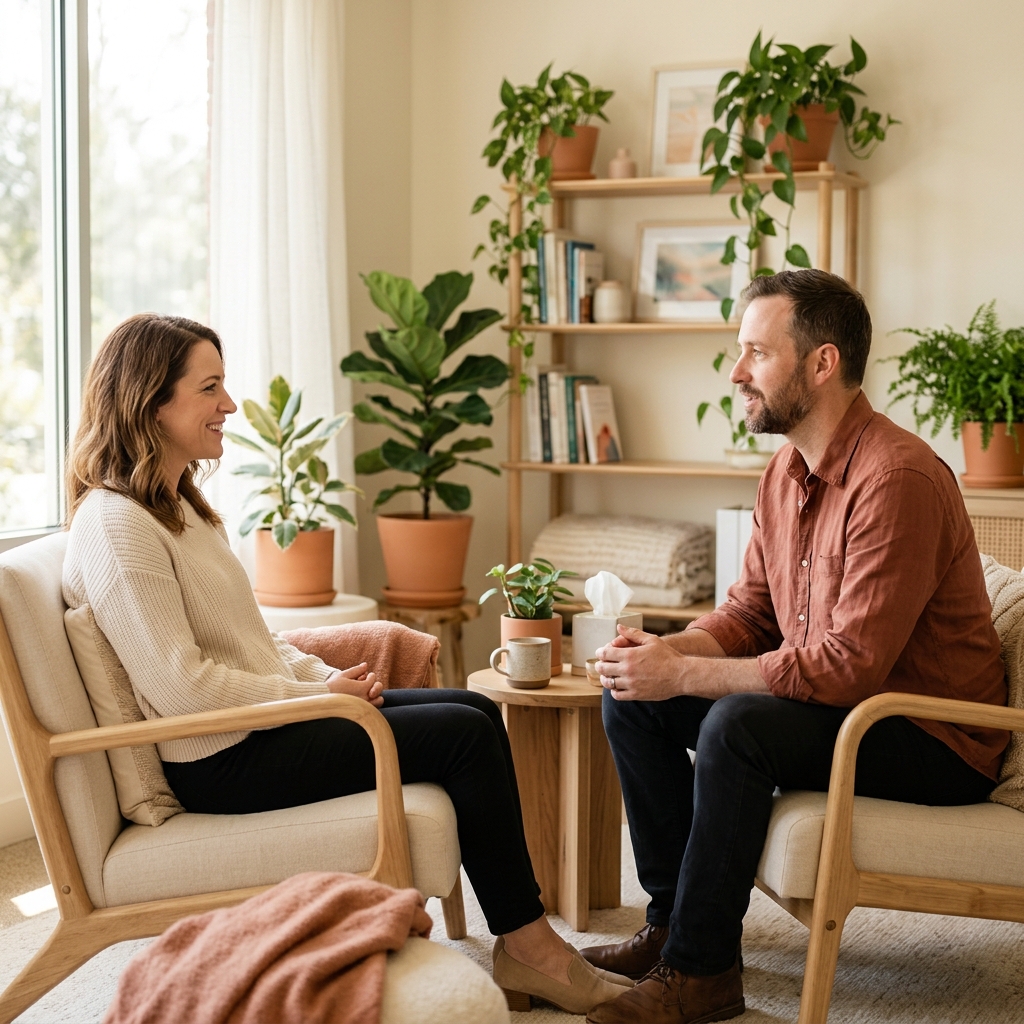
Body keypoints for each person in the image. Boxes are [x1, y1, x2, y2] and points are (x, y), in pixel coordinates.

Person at [61, 313, 633, 1015]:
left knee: (477, 711)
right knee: (460, 734)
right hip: (219, 761)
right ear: (150, 400)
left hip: (257, 729)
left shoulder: (175, 507)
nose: (229, 406)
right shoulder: (116, 525)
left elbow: (252, 641)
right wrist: (314, 701)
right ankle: (531, 950)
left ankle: (525, 942)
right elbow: (182, 689)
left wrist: (323, 681)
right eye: (210, 388)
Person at [580, 270, 1008, 1024]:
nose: (737, 372)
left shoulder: (897, 478)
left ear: (822, 363)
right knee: (637, 700)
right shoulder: (785, 472)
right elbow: (751, 613)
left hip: (930, 735)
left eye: (755, 352)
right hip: (849, 711)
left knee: (735, 725)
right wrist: (662, 656)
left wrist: (690, 673)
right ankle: (675, 924)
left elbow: (849, 667)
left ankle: (703, 974)